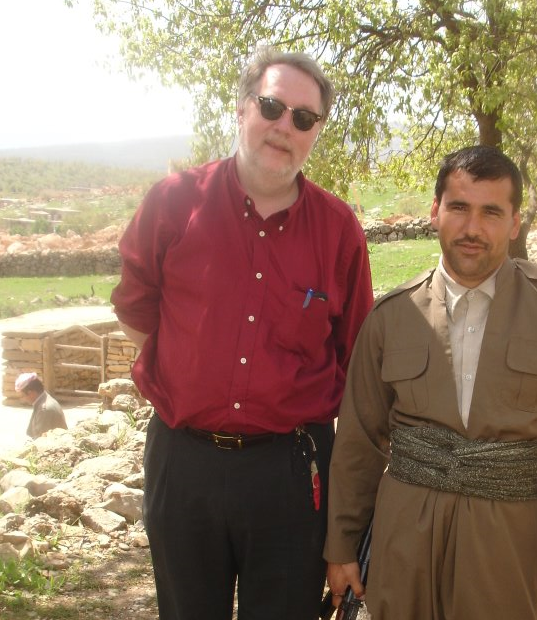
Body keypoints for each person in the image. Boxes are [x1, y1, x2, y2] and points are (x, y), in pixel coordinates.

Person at [110, 46, 373, 620]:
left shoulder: (338, 231)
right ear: (241, 108)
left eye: (304, 118)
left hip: (291, 472)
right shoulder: (174, 202)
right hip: (183, 465)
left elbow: (358, 366)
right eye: (273, 107)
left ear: (317, 132)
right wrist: (189, 372)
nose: (285, 127)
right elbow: (136, 310)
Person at [325, 145, 537, 620]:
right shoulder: (390, 318)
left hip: (510, 537)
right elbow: (358, 441)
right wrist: (342, 546)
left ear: (515, 222)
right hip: (405, 534)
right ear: (435, 212)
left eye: (491, 212)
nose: (472, 228)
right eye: (459, 207)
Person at [14, 372, 67, 439]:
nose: (23, 399)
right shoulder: (44, 400)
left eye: (23, 396)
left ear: (30, 393)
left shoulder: (44, 409)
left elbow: (41, 441)